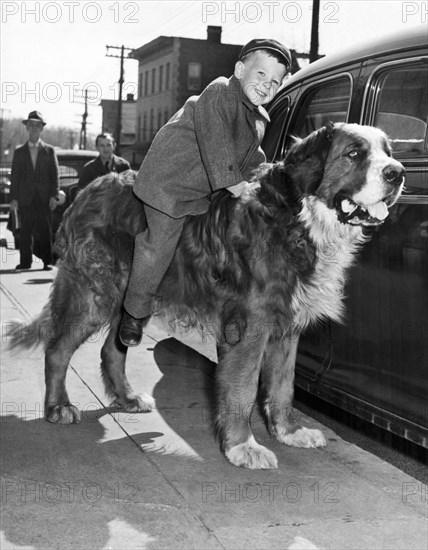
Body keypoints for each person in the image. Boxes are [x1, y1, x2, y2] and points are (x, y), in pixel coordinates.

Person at [120, 38, 291, 346]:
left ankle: (222, 306)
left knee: (230, 239)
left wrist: (268, 184)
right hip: (171, 182)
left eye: (275, 82)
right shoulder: (219, 92)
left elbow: (254, 159)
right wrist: (237, 184)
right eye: (261, 74)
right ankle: (134, 311)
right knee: (158, 244)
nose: (267, 85)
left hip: (206, 189)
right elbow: (217, 144)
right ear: (240, 70)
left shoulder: (258, 118)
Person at [10, 111, 60, 271]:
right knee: (25, 232)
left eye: (37, 126)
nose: (34, 128)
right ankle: (25, 262)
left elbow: (55, 174)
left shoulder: (49, 151)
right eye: (31, 125)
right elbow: (15, 176)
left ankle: (47, 262)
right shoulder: (19, 152)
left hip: (44, 197)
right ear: (27, 127)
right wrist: (13, 198)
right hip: (25, 197)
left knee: (45, 230)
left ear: (41, 129)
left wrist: (54, 195)